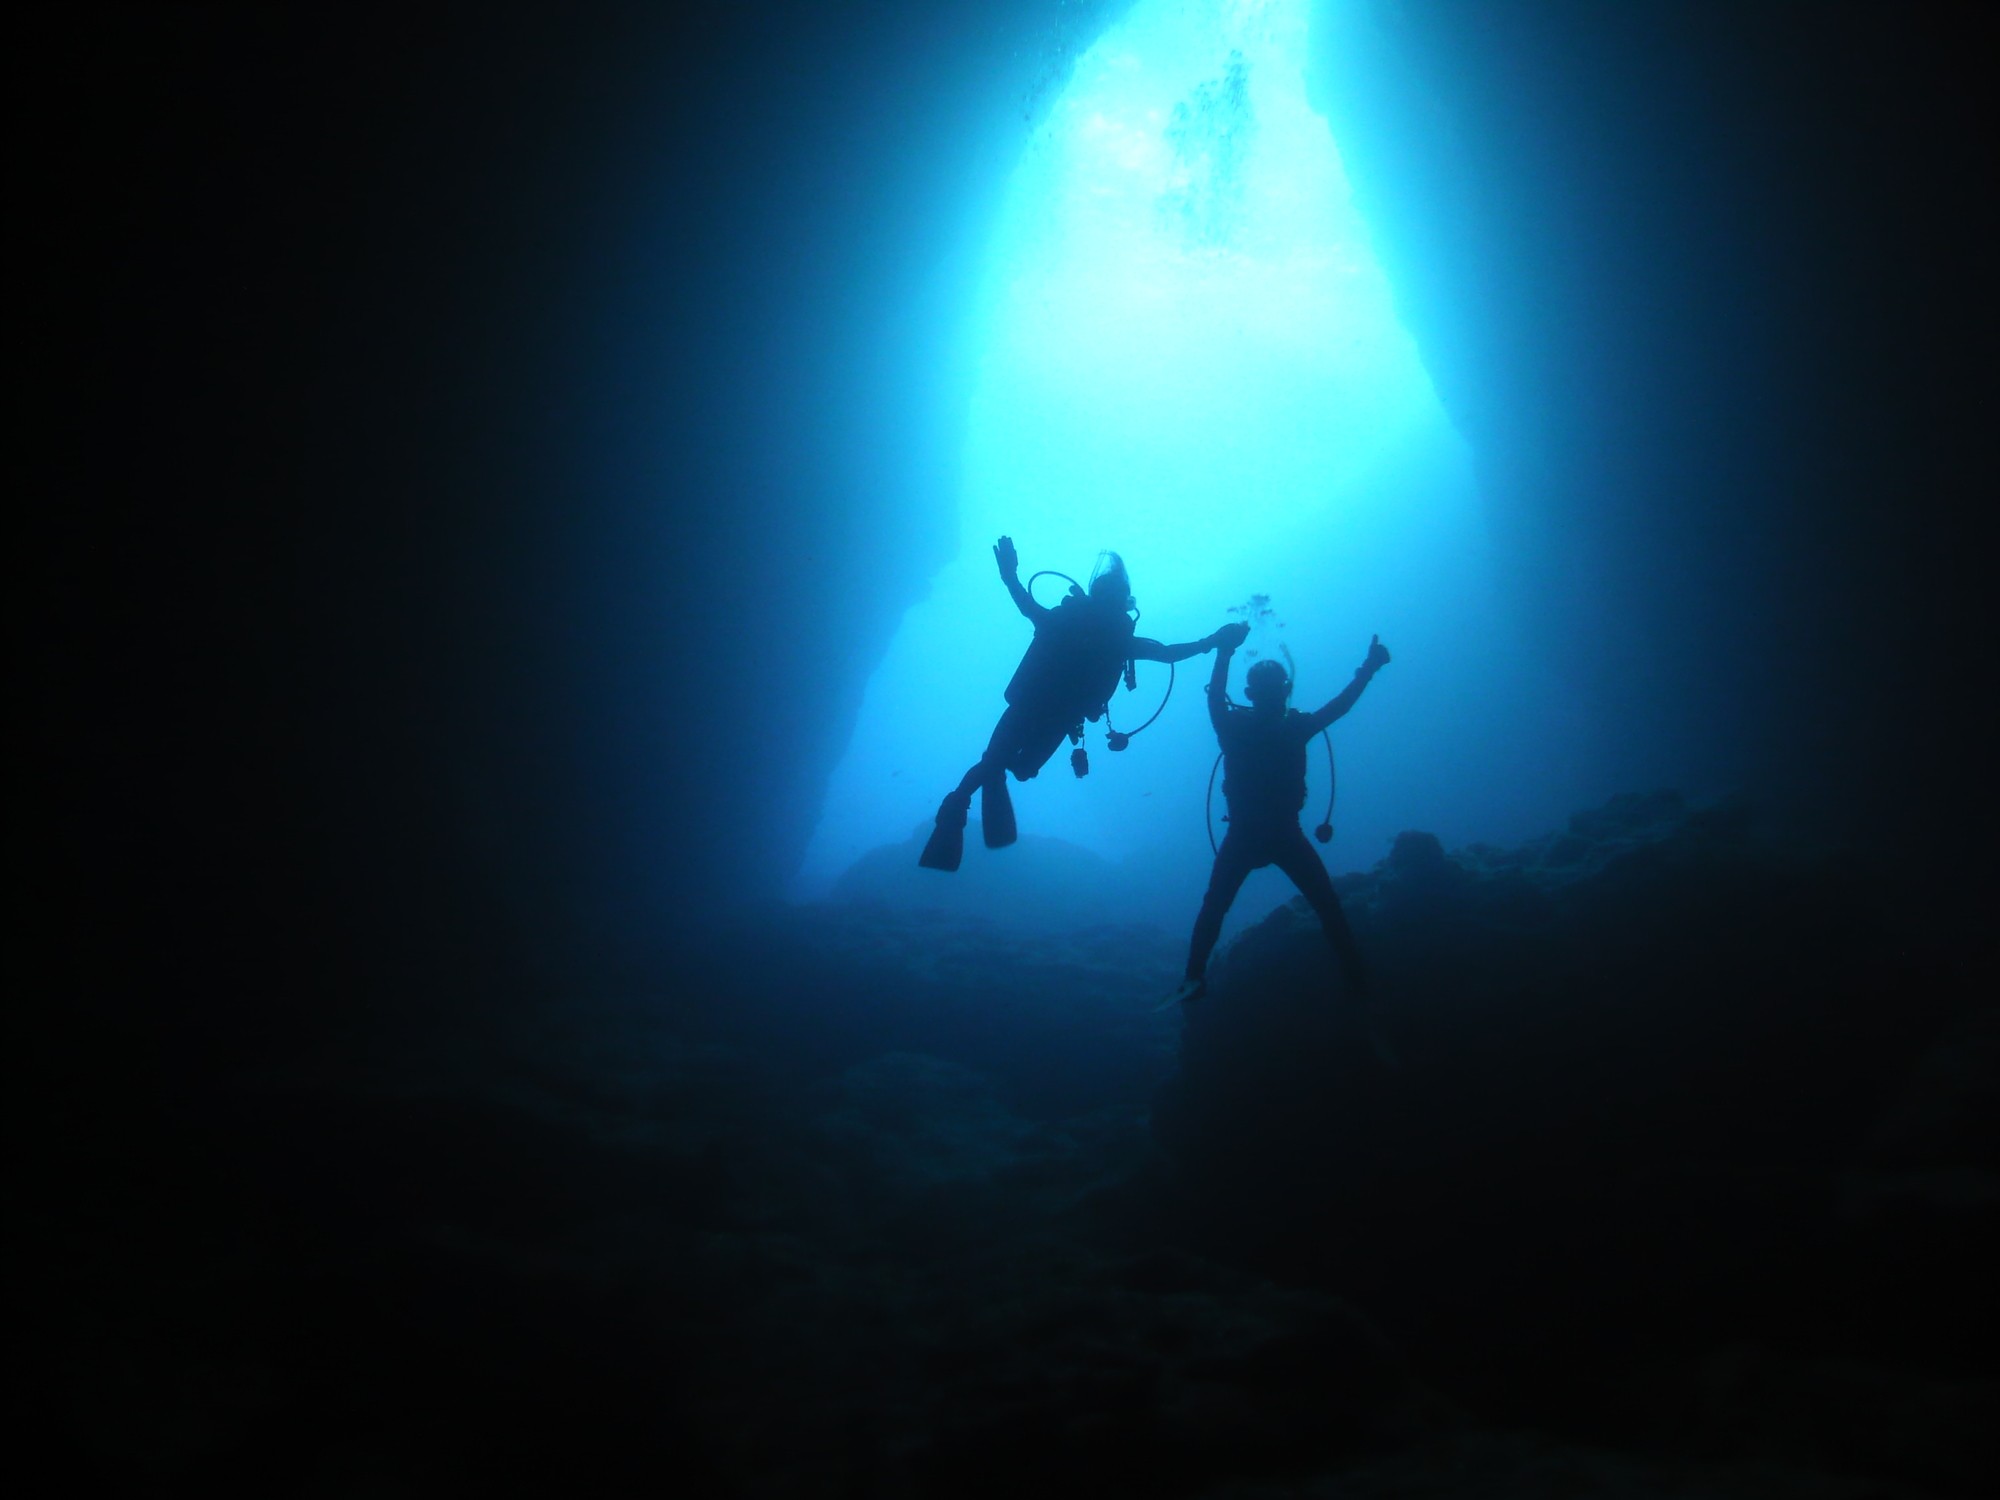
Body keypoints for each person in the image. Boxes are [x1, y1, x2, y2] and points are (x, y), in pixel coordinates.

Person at [920, 536, 1236, 872]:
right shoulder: (1110, 637)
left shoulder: (1082, 628)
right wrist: (1212, 642)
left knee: (1007, 766)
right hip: (1052, 716)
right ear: (1123, 602)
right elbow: (1167, 652)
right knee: (1005, 765)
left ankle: (964, 799)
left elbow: (1026, 605)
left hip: (1036, 709)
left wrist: (1009, 575)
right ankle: (962, 801)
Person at [1174, 629, 1392, 1006]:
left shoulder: (1234, 727)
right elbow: (1341, 706)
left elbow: (1213, 699)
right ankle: (1355, 974)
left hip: (1245, 835)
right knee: (1326, 904)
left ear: (1250, 694)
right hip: (1283, 835)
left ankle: (1193, 976)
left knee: (1215, 905)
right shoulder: (1295, 727)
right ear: (1284, 690)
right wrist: (1368, 669)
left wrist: (1224, 653)